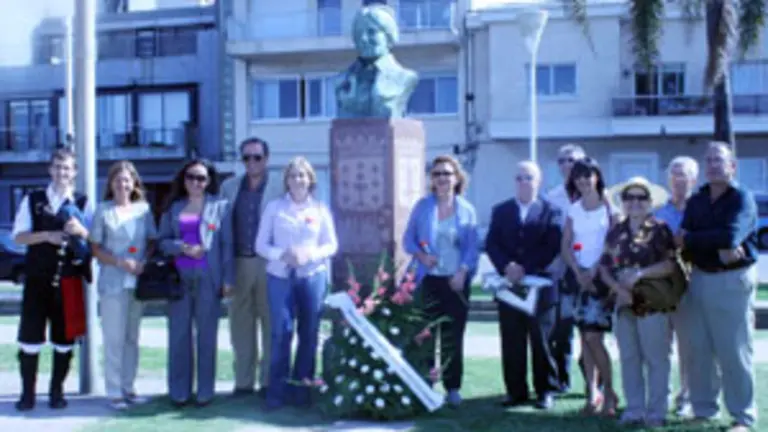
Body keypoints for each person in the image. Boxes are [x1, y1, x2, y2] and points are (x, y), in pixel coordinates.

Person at [679, 142, 758, 432]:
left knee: (734, 351)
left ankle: (742, 417)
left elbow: (732, 234)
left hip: (731, 280)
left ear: (732, 166)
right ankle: (704, 409)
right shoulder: (697, 199)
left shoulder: (742, 198)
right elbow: (683, 240)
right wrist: (710, 241)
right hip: (698, 278)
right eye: (709, 160)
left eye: (720, 160)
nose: (713, 165)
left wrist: (699, 239)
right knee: (698, 349)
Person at [12, 147, 94, 411]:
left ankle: (57, 392)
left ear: (74, 173)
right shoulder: (33, 200)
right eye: (58, 167)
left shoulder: (82, 202)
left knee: (64, 340)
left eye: (67, 168)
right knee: (30, 338)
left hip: (69, 280)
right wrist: (47, 236)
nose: (62, 172)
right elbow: (18, 237)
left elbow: (94, 241)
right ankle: (28, 394)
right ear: (50, 170)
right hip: (37, 280)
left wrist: (81, 231)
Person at [255, 156, 338, 410]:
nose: (298, 180)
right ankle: (277, 393)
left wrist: (309, 255)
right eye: (293, 175)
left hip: (312, 277)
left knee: (309, 334)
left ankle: (302, 391)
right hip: (280, 278)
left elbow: (332, 244)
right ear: (286, 181)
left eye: (302, 175)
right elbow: (260, 245)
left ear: (310, 179)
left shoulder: (320, 209)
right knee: (281, 332)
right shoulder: (274, 208)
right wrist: (283, 255)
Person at [402, 155, 480, 407]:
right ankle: (426, 384)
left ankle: (453, 387)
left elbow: (472, 248)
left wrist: (463, 271)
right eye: (437, 174)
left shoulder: (467, 209)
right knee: (426, 336)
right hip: (428, 281)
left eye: (447, 173)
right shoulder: (423, 207)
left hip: (456, 282)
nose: (442, 179)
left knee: (452, 337)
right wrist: (422, 256)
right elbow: (408, 240)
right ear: (431, 180)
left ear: (457, 178)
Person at [485, 161, 561, 410]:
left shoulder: (552, 211)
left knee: (541, 342)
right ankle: (515, 392)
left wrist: (524, 268)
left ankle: (545, 391)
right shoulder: (501, 211)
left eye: (528, 177)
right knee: (512, 341)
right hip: (509, 288)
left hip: (540, 290)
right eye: (519, 178)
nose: (523, 182)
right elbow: (492, 243)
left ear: (538, 181)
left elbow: (551, 246)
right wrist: (507, 266)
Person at [158, 159, 234, 407]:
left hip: (208, 280)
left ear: (209, 181)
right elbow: (162, 242)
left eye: (201, 178)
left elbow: (226, 246)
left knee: (207, 336)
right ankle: (179, 391)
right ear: (184, 179)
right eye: (191, 177)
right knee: (179, 336)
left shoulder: (220, 207)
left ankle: (205, 391)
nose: (196, 182)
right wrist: (182, 247)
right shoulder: (174, 208)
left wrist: (228, 279)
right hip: (180, 280)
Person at [601, 177, 675, 428]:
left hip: (652, 301)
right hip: (623, 302)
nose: (634, 203)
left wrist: (641, 275)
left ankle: (656, 411)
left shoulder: (660, 229)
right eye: (629, 198)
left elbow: (669, 264)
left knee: (656, 358)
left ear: (649, 202)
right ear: (622, 203)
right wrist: (616, 289)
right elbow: (605, 267)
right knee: (629, 358)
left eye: (640, 198)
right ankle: (634, 409)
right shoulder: (615, 231)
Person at [89, 161, 157, 410]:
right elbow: (95, 248)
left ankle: (129, 387)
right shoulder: (103, 211)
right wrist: (119, 261)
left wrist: (142, 262)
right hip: (112, 283)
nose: (122, 184)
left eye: (127, 179)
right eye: (118, 180)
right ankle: (114, 390)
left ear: (134, 183)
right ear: (111, 184)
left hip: (137, 283)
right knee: (114, 338)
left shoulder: (143, 210)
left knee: (131, 338)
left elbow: (152, 241)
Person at [220, 137, 281, 398]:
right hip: (239, 263)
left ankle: (268, 381)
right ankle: (243, 383)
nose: (251, 162)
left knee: (270, 323)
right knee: (240, 326)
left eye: (256, 157)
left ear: (266, 159)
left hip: (270, 264)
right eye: (246, 157)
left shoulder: (279, 186)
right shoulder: (229, 187)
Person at [560, 157, 618, 416]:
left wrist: (595, 269)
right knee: (585, 340)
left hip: (602, 281)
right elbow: (566, 244)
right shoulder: (574, 208)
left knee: (595, 338)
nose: (583, 180)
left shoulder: (609, 206)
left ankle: (610, 394)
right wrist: (577, 270)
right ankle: (591, 394)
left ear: (597, 176)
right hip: (579, 281)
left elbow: (614, 241)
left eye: (588, 175)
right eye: (578, 176)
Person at [654, 156, 702, 417]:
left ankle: (686, 396)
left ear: (693, 179)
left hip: (693, 285)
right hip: (663, 287)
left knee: (688, 345)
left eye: (683, 174)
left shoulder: (701, 209)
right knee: (662, 345)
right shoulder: (659, 212)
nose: (677, 179)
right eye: (673, 174)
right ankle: (661, 396)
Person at [546, 143, 587, 393]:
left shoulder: (595, 196)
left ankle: (594, 384)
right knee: (562, 329)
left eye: (572, 160)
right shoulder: (552, 198)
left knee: (590, 330)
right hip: (562, 271)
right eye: (562, 160)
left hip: (591, 272)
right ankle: (562, 379)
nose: (567, 165)